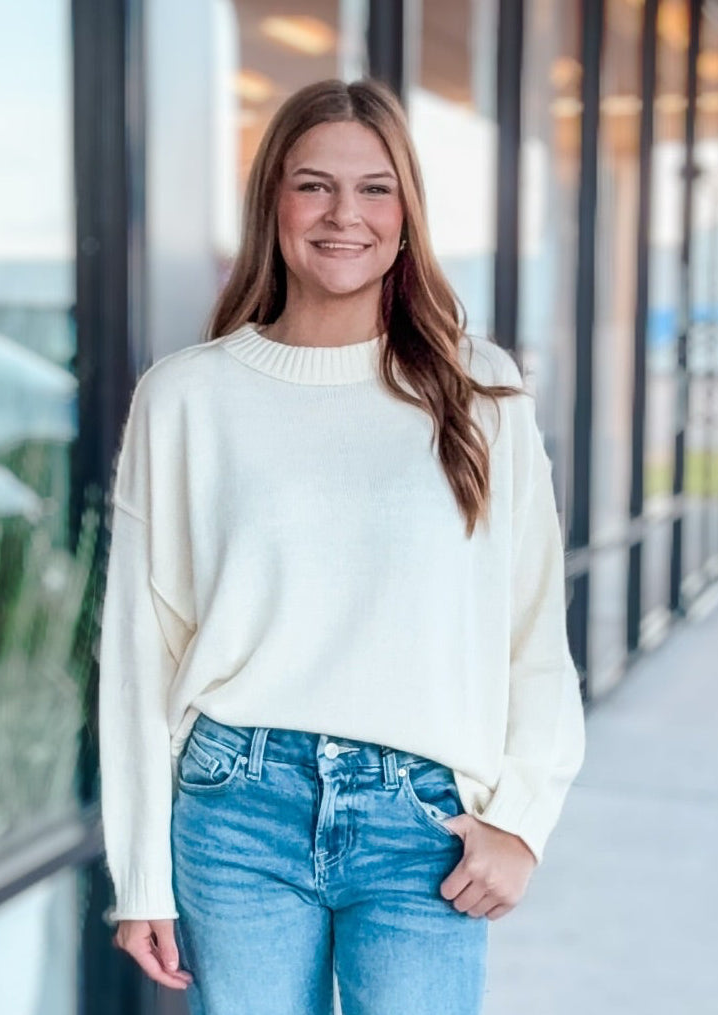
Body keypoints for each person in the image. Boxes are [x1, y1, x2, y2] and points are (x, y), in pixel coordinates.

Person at [98, 77, 586, 1015]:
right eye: (312, 185)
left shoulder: (478, 390)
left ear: (407, 214)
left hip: (426, 822)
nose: (342, 215)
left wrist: (521, 821)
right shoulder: (186, 396)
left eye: (374, 188)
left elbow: (531, 626)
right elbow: (138, 651)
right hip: (235, 805)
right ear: (272, 204)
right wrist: (141, 874)